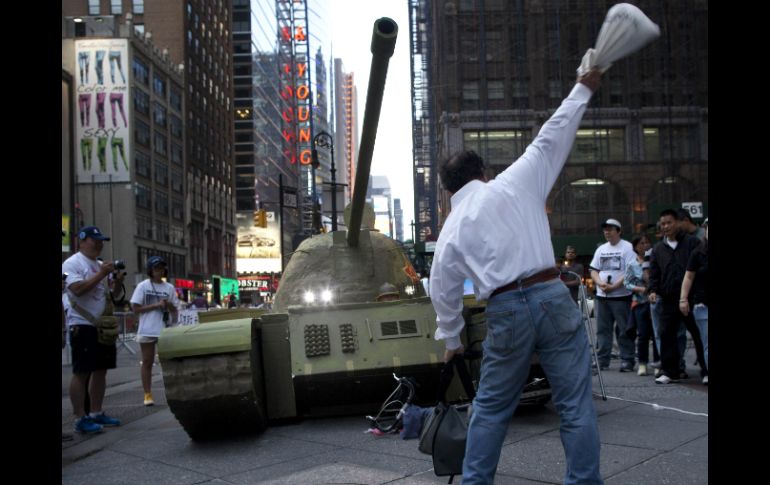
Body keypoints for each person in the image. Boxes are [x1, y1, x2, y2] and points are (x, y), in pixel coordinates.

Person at [429, 69, 603, 484]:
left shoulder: (452, 227)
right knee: (575, 405)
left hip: (505, 308)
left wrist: (452, 340)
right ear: (483, 172)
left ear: (448, 190)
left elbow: (442, 289)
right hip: (550, 293)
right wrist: (583, 86)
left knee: (490, 409)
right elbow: (552, 134)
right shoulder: (517, 181)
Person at [62, 226, 125, 434]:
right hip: (82, 324)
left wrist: (117, 282)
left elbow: (115, 295)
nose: (99, 244)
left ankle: (96, 412)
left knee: (100, 371)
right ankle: (80, 417)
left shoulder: (99, 264)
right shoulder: (72, 263)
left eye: (101, 241)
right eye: (94, 240)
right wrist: (102, 274)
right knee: (82, 372)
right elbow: (77, 290)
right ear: (82, 241)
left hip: (102, 326)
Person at [648, 209, 707, 384]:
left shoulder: (692, 243)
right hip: (668, 298)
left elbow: (700, 268)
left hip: (692, 298)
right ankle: (670, 371)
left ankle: (706, 370)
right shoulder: (658, 248)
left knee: (700, 335)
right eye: (663, 224)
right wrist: (653, 290)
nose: (666, 226)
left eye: (669, 222)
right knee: (666, 334)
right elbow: (654, 273)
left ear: (678, 223)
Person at [130, 256, 179, 406]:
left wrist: (168, 305)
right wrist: (156, 305)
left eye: (162, 268)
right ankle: (147, 394)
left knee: (168, 362)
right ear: (150, 270)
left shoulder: (169, 288)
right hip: (147, 329)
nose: (160, 271)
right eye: (157, 268)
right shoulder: (143, 286)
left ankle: (173, 393)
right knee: (147, 361)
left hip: (165, 329)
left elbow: (175, 309)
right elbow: (135, 308)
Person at [589, 218, 637, 372]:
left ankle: (627, 359)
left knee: (624, 329)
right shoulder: (601, 249)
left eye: (610, 229)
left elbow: (631, 270)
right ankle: (602, 360)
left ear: (619, 231)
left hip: (621, 296)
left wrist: (614, 286)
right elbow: (593, 270)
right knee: (602, 330)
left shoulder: (628, 247)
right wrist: (600, 283)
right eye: (605, 230)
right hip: (602, 296)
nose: (607, 232)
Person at [623, 234, 658, 376]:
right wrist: (640, 289)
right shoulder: (632, 264)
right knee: (643, 335)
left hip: (655, 301)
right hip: (640, 302)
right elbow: (626, 283)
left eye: (647, 242)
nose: (645, 246)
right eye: (641, 243)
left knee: (656, 334)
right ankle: (642, 363)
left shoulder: (655, 260)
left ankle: (658, 363)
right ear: (636, 247)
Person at [679, 217, 708, 384]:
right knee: (707, 342)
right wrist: (683, 299)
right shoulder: (698, 252)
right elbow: (688, 277)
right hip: (703, 303)